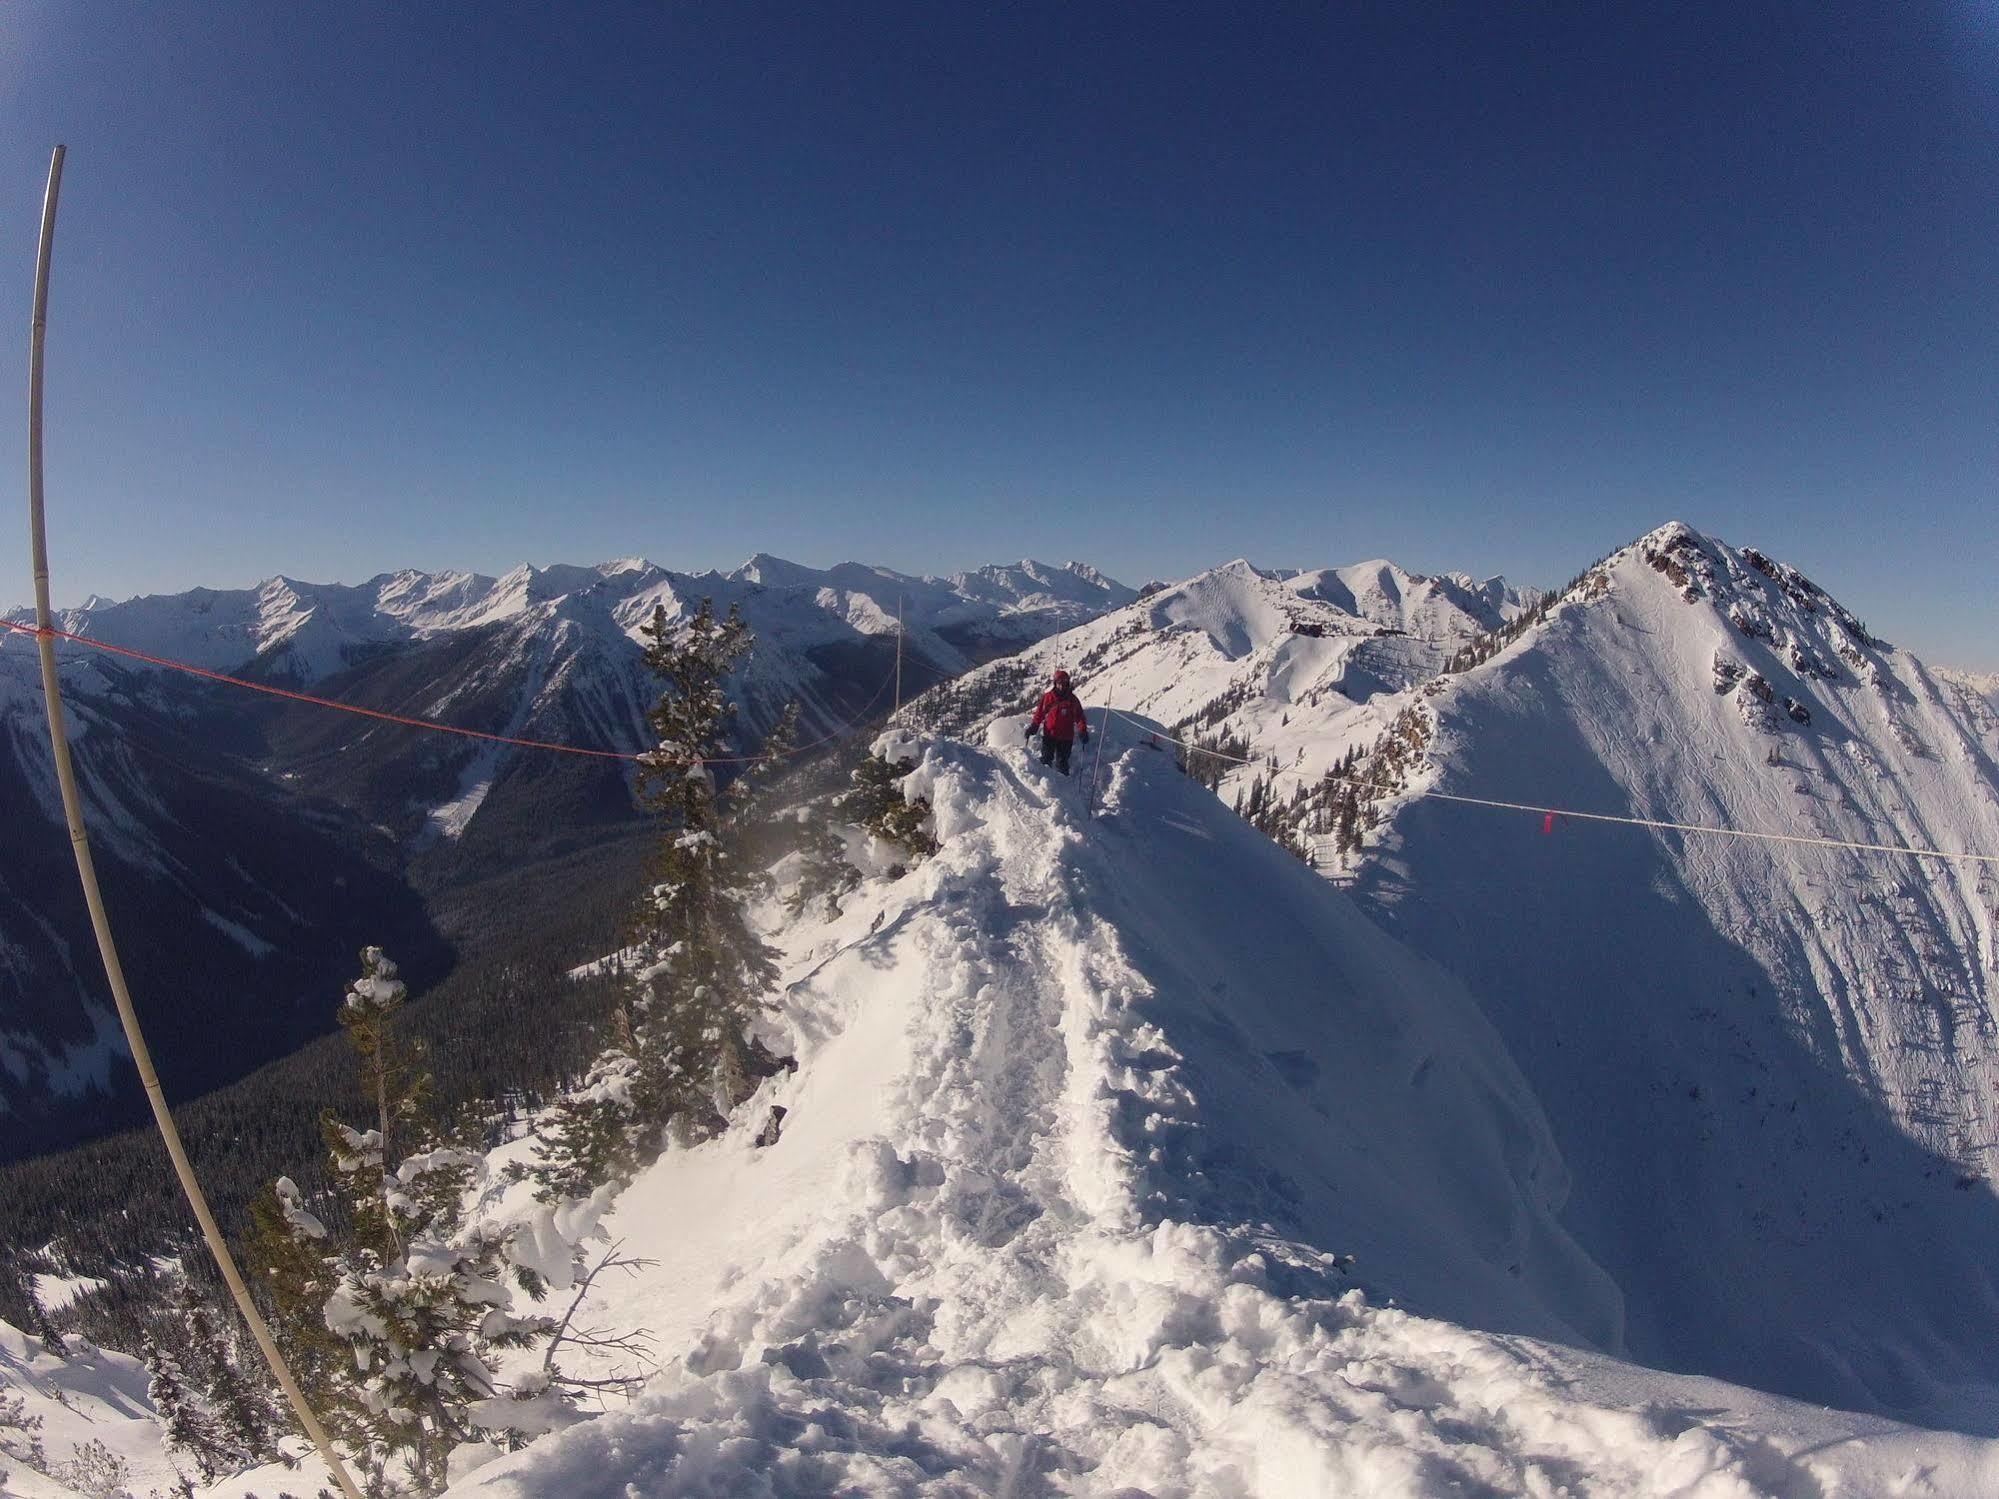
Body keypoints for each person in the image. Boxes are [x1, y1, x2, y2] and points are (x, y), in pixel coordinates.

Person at [1026, 668, 1089, 775]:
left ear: (1068, 684)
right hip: (1050, 734)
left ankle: (1063, 788)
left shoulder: (1072, 700)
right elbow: (1039, 713)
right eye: (1059, 683)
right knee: (1046, 760)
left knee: (1062, 763)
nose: (1062, 686)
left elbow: (1080, 717)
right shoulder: (1048, 697)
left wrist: (1082, 730)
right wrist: (1034, 726)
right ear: (1055, 683)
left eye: (1064, 683)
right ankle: (1043, 784)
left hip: (1066, 737)